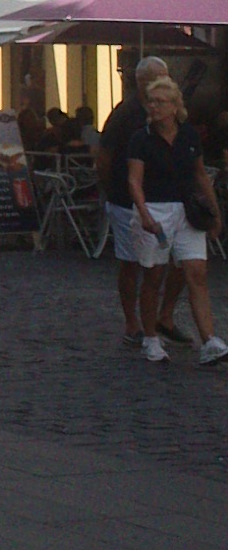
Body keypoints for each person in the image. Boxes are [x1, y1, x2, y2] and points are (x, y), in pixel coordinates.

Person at [128, 76, 228, 366]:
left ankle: (209, 340)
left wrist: (215, 212)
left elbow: (200, 174)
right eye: (151, 101)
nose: (154, 106)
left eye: (160, 101)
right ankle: (150, 337)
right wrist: (145, 214)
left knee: (197, 272)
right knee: (154, 276)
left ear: (175, 107)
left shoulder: (188, 136)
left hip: (187, 210)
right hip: (155, 208)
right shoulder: (141, 139)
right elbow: (134, 181)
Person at [98, 54, 184, 346]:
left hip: (165, 198)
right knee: (132, 262)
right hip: (127, 200)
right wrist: (112, 190)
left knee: (180, 261)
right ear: (144, 81)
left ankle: (164, 316)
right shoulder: (126, 113)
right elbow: (105, 155)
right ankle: (133, 322)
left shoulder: (169, 110)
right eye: (162, 76)